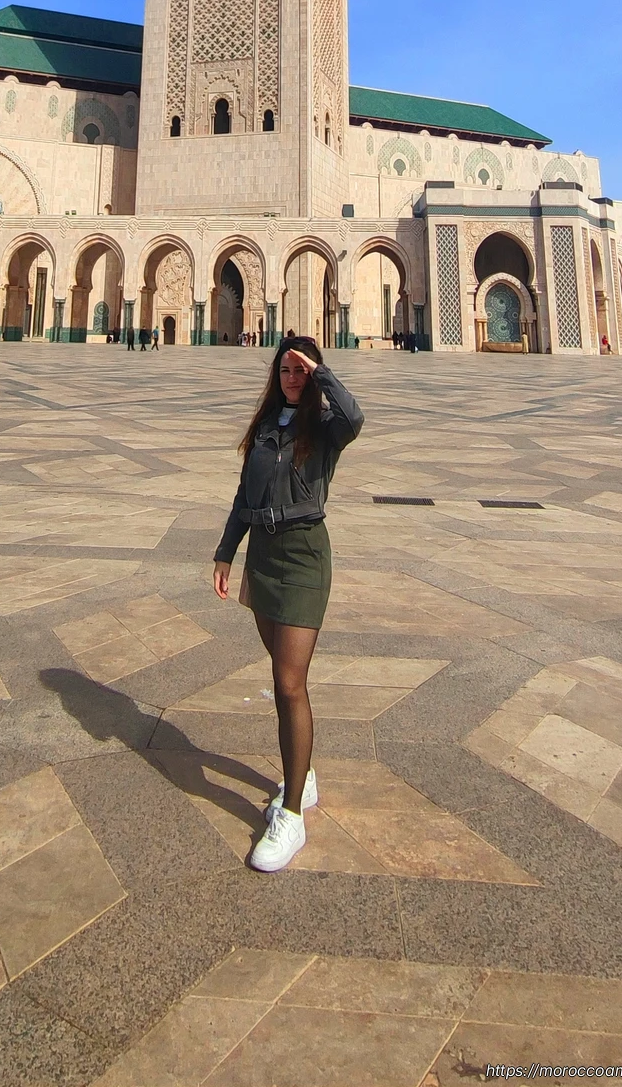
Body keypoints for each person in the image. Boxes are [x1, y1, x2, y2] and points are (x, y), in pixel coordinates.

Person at [213, 336, 364, 872]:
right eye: (285, 369)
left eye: (299, 370)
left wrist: (319, 371)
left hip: (303, 559)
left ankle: (293, 813)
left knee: (288, 682)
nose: (292, 377)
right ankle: (304, 771)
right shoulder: (264, 428)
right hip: (263, 556)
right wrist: (226, 552)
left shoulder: (322, 429)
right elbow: (242, 495)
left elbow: (355, 415)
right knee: (280, 671)